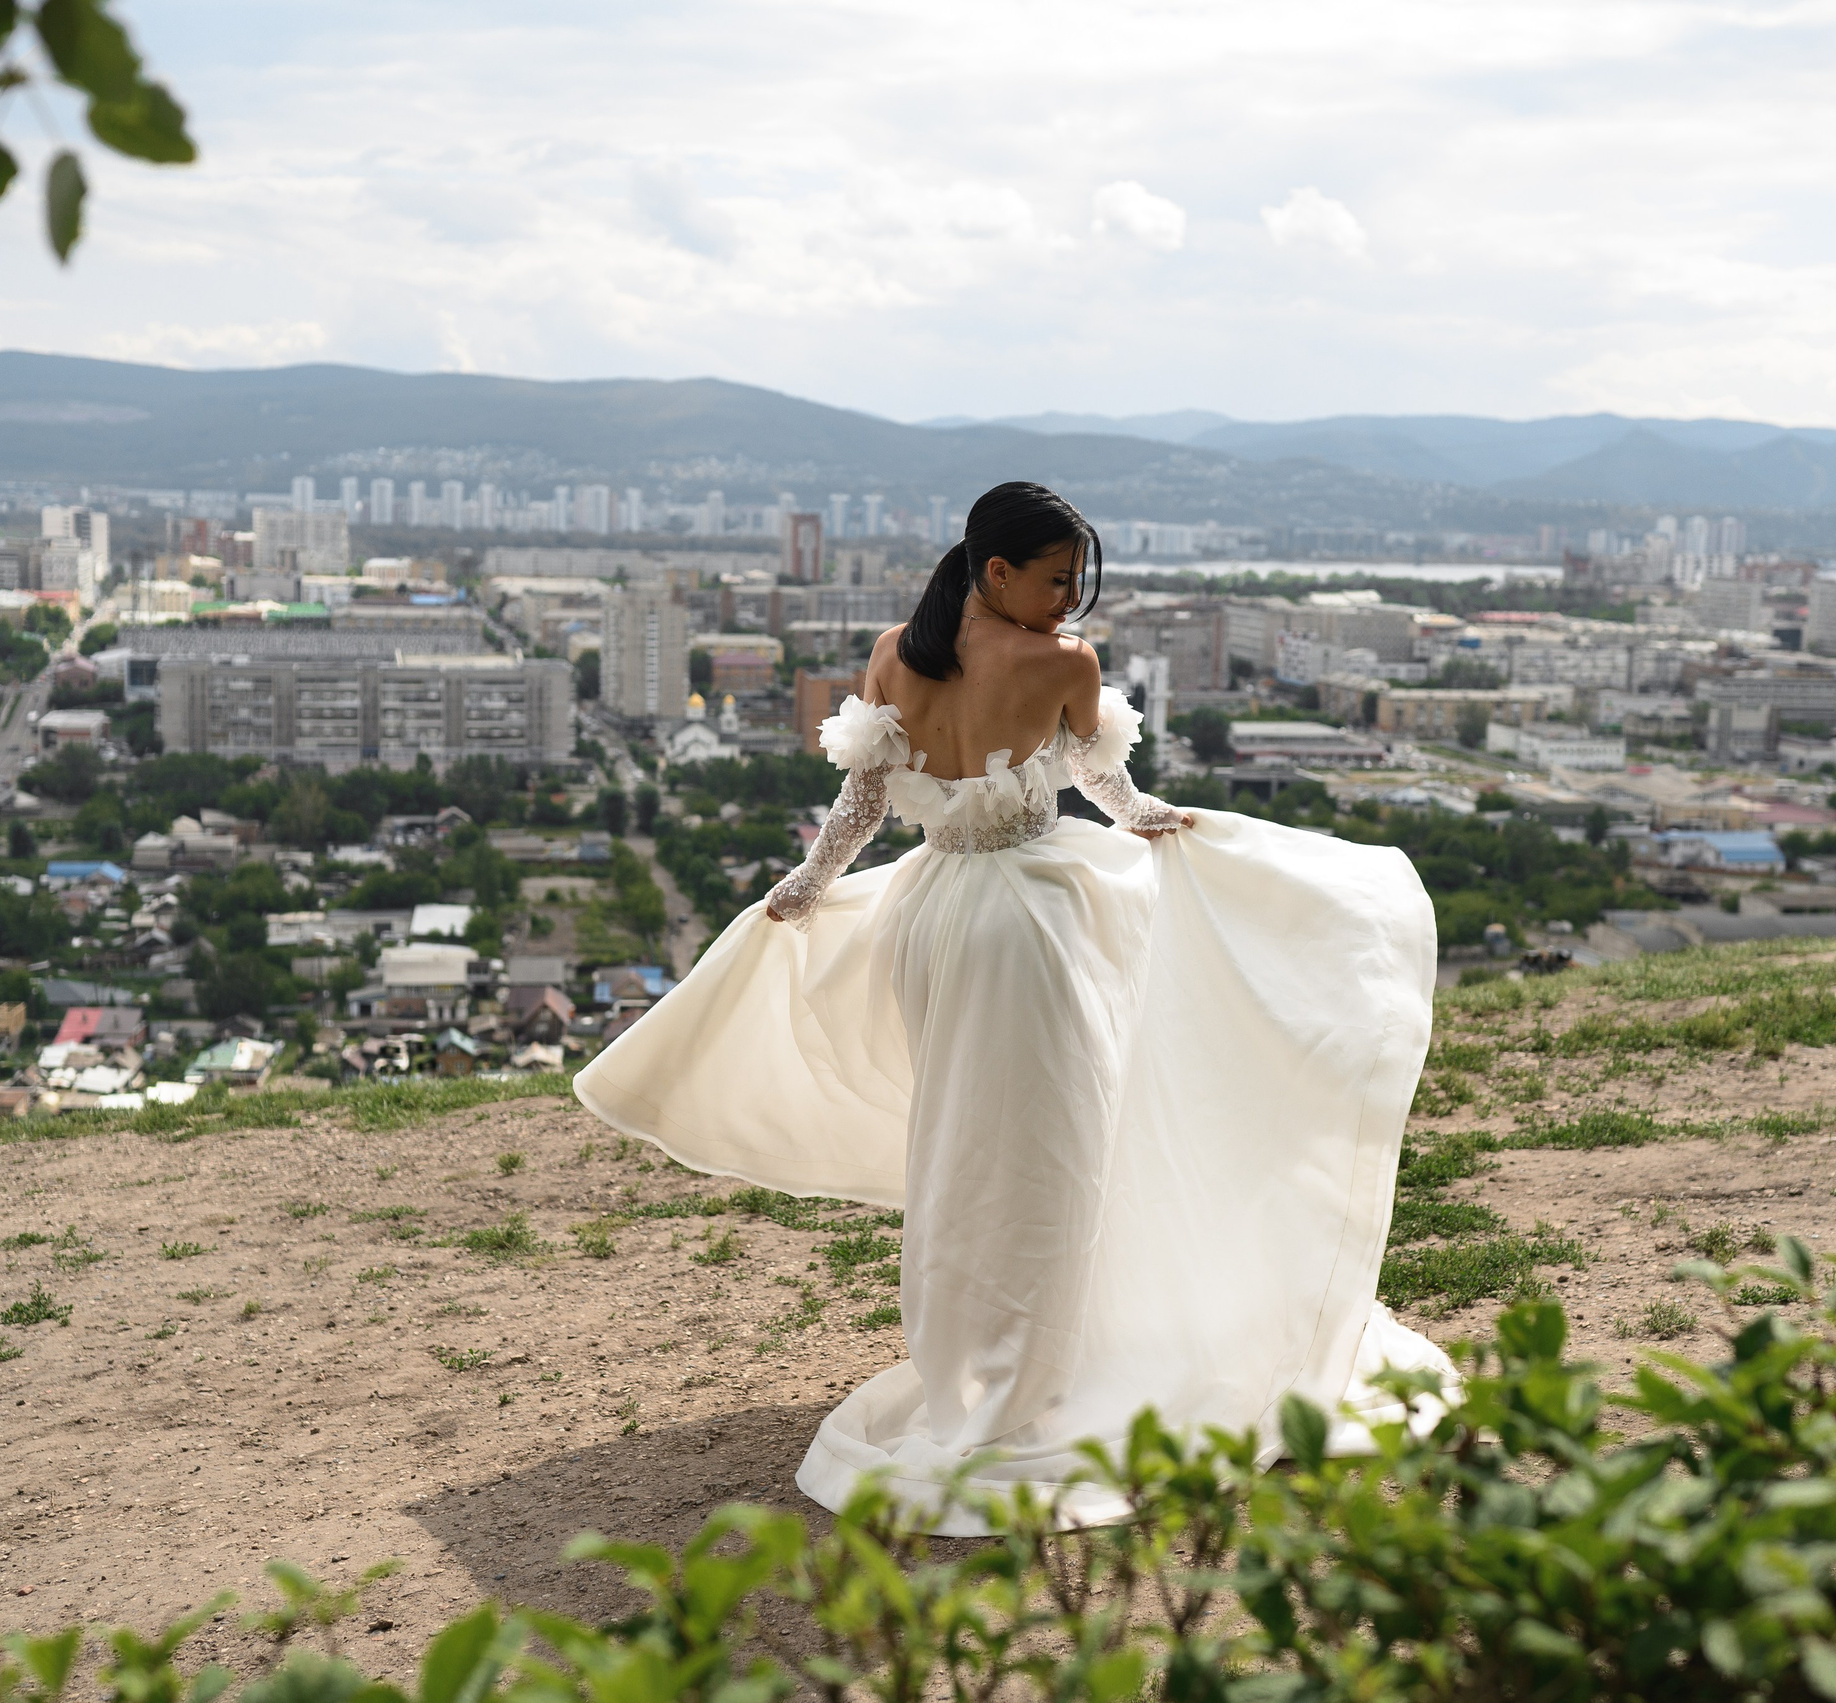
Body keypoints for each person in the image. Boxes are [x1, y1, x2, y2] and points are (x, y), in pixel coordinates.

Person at [576, 481, 1452, 1534]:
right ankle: (1045, 1370)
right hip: (1032, 924)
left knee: (962, 1150)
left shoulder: (899, 650)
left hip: (931, 916)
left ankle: (975, 1370)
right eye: (1055, 577)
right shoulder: (1065, 662)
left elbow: (860, 799)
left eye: (1074, 580)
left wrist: (808, 884)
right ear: (996, 569)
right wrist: (1153, 819)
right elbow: (1100, 781)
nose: (1069, 597)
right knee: (1056, 1149)